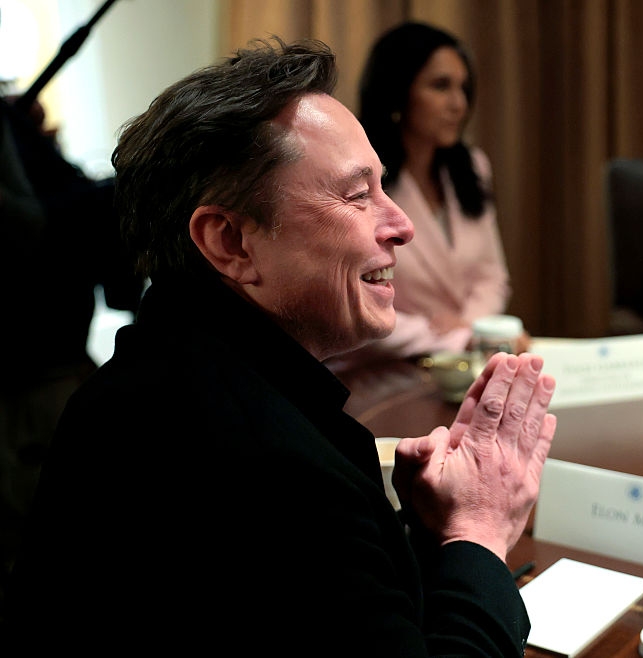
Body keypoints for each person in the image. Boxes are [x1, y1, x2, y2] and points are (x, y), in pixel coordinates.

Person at [3, 37, 556, 655]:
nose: (401, 225)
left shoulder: (155, 376)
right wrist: (479, 532)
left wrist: (429, 537)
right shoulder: (269, 467)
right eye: (357, 195)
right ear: (230, 242)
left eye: (383, 187)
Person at [0, 89, 142, 604]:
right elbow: (25, 230)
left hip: (57, 376)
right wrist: (114, 193)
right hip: (28, 387)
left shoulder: (14, 125)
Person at [326, 22, 516, 372]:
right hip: (381, 373)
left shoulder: (472, 167)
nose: (459, 104)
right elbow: (349, 300)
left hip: (463, 365)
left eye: (463, 88)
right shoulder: (356, 178)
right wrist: (454, 338)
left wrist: (471, 329)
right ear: (399, 91)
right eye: (441, 86)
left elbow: (492, 277)